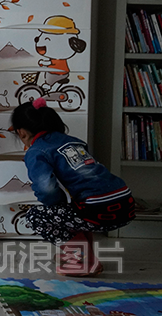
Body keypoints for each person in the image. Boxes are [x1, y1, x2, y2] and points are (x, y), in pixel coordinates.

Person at [12, 98, 135, 276]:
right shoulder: (74, 142)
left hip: (99, 208)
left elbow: (45, 188)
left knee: (35, 217)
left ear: (22, 133)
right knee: (74, 211)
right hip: (125, 203)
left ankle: (82, 259)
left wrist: (57, 205)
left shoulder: (37, 151)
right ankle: (84, 255)